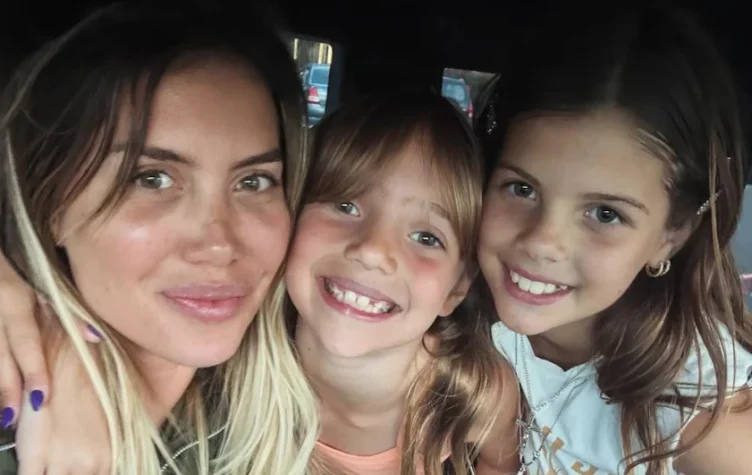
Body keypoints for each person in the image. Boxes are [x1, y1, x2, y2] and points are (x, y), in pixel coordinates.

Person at [0, 3, 318, 474]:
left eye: (254, 182)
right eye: (152, 179)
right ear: (50, 207)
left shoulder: (279, 414)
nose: (218, 245)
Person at [475, 3, 752, 474]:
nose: (542, 242)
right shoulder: (449, 305)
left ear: (670, 237)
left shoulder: (697, 415)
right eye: (521, 189)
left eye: (606, 214)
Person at [286, 92, 519, 474]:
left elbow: (500, 462)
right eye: (346, 206)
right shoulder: (232, 369)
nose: (373, 251)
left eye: (427, 238)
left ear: (457, 289)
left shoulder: (475, 393)